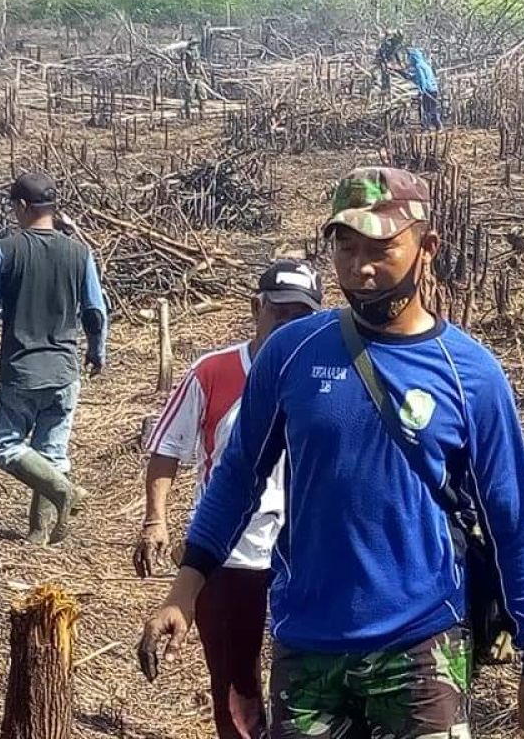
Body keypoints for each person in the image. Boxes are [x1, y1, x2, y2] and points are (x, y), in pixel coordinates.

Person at [139, 167, 524, 739]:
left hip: (421, 650)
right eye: (345, 247)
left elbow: (513, 518)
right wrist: (184, 592)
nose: (361, 269)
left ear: (427, 248)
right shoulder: (291, 353)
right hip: (309, 648)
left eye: (381, 248)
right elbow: (237, 479)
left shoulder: (471, 376)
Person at [133, 259, 322, 739]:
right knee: (237, 685)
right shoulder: (214, 372)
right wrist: (156, 520)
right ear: (257, 308)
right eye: (280, 313)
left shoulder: (322, 379)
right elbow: (167, 448)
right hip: (230, 555)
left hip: (302, 555)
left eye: (302, 316)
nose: (290, 325)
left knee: (307, 680)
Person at [0, 171, 106, 545]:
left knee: (4, 446)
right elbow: (95, 312)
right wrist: (96, 350)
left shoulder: (7, 249)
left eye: (14, 207)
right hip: (64, 372)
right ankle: (40, 537)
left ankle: (64, 492)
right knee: (51, 453)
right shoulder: (79, 252)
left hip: (21, 371)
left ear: (23, 207)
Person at [394, 47, 442, 130]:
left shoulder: (418, 66)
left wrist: (421, 91)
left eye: (410, 58)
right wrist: (400, 72)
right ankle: (436, 126)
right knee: (431, 109)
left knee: (427, 110)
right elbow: (413, 77)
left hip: (427, 90)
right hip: (433, 89)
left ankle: (429, 127)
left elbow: (422, 79)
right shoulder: (425, 65)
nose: (409, 60)